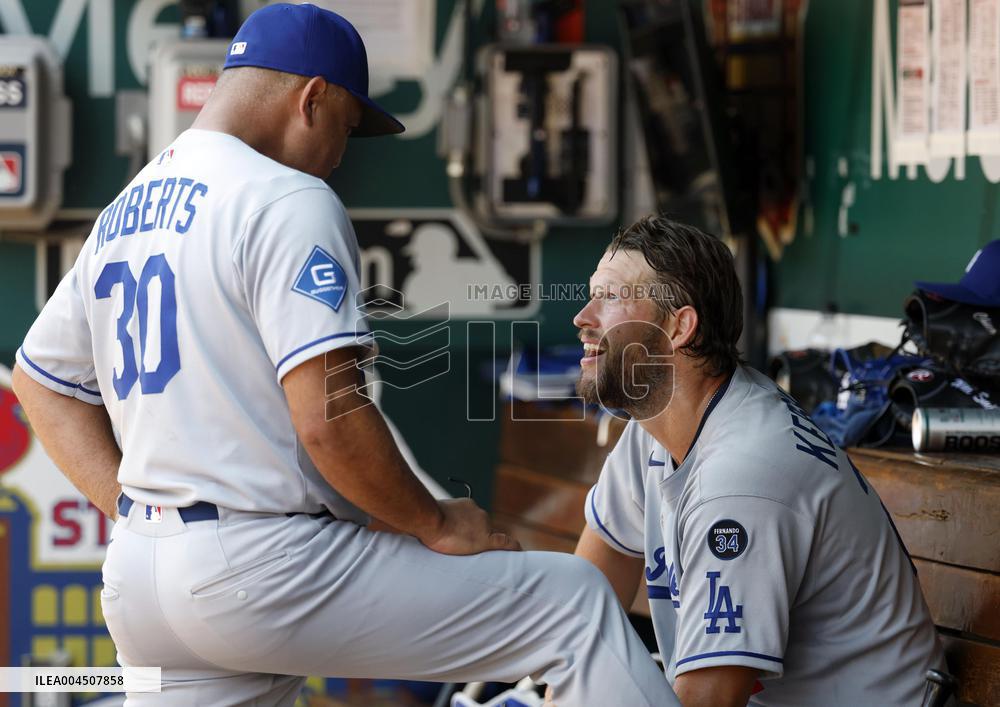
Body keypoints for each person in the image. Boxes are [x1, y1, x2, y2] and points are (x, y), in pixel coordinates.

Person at [11, 5, 678, 706]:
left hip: (143, 576)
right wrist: (436, 520)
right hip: (259, 567)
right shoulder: (287, 196)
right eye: (347, 127)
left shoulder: (127, 206)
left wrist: (131, 505)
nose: (340, 152)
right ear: (313, 97)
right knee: (571, 602)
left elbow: (38, 381)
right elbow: (329, 422)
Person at [568, 215, 945, 706]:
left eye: (612, 297)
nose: (582, 317)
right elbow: (580, 624)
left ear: (679, 327)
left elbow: (709, 702)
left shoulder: (742, 476)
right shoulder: (654, 433)